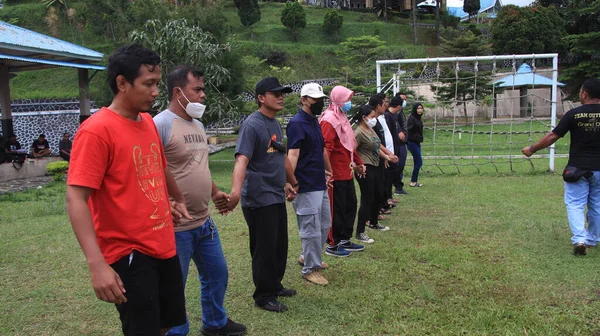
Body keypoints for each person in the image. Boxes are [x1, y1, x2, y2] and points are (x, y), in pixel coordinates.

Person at [65, 44, 191, 336]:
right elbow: (76, 198)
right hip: (129, 253)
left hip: (163, 243)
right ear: (122, 83)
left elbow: (155, 170)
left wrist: (167, 202)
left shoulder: (147, 122)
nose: (156, 91)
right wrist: (97, 265)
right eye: (148, 84)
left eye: (157, 83)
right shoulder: (97, 131)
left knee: (165, 323)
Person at [154, 66, 246, 336]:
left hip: (204, 222)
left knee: (217, 274)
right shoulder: (160, 124)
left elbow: (198, 166)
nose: (204, 94)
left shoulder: (198, 124)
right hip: (176, 228)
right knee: (174, 286)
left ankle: (215, 323)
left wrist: (215, 191)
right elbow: (152, 170)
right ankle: (176, 332)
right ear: (177, 92)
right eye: (198, 89)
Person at [222, 77, 299, 313]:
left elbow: (280, 156)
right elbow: (241, 160)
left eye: (282, 93)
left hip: (275, 194)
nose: (281, 97)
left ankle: (274, 285)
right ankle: (263, 296)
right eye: (275, 93)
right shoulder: (252, 125)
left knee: (279, 245)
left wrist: (291, 182)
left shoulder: (275, 124)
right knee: (264, 248)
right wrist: (235, 193)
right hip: (258, 197)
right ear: (261, 98)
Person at [522, 78, 600, 256]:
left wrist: (532, 149)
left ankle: (579, 239)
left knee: (575, 204)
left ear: (584, 94)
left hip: (577, 169)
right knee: (597, 205)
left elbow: (553, 136)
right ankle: (592, 240)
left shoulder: (574, 114)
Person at [286, 83, 333, 286]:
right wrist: (290, 182)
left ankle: (308, 256)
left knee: (324, 223)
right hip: (305, 184)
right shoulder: (297, 123)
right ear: (304, 99)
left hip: (319, 181)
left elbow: (320, 150)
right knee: (310, 228)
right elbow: (293, 154)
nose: (319, 103)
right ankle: (310, 269)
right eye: (315, 99)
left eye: (321, 99)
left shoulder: (314, 121)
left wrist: (328, 170)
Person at [319, 85, 366, 257]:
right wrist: (326, 172)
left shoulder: (342, 117)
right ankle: (332, 243)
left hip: (347, 171)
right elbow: (326, 148)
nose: (349, 103)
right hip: (335, 174)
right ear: (338, 99)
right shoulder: (329, 119)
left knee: (350, 205)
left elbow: (349, 145)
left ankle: (345, 238)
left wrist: (359, 163)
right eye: (346, 99)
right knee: (336, 209)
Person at [354, 105, 394, 244]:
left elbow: (377, 147)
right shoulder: (358, 133)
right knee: (367, 198)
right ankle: (360, 231)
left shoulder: (370, 130)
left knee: (378, 194)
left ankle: (374, 222)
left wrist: (388, 157)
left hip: (376, 166)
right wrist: (357, 165)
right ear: (364, 118)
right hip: (365, 168)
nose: (374, 119)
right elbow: (351, 151)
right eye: (371, 117)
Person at [393, 92, 409, 195]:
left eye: (405, 99)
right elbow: (395, 123)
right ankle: (397, 186)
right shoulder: (394, 113)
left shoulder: (401, 112)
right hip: (398, 143)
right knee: (398, 165)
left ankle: (398, 186)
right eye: (402, 99)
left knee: (401, 165)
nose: (404, 101)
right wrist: (399, 131)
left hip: (403, 142)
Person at [407, 103, 425, 187]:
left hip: (417, 142)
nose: (420, 110)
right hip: (412, 142)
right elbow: (408, 130)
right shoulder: (412, 118)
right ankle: (413, 181)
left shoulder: (418, 118)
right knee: (419, 162)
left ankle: (414, 181)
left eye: (421, 108)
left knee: (417, 162)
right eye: (418, 108)